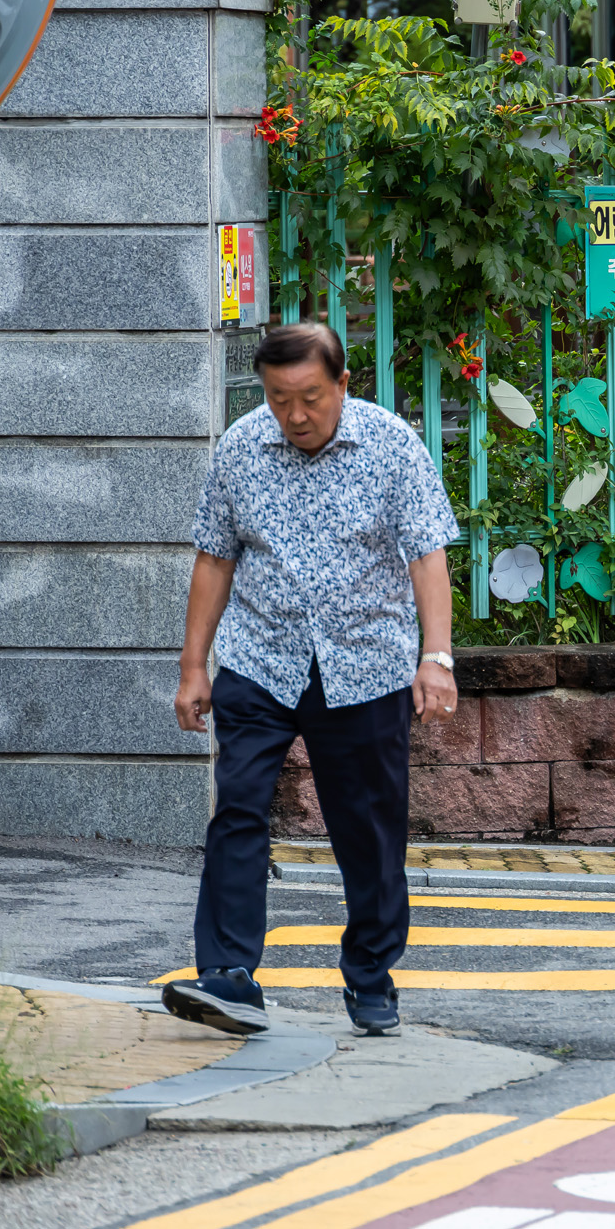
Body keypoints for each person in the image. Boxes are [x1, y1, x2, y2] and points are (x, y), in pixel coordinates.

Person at [165, 322, 461, 1039]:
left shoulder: (391, 445)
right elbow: (215, 558)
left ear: (342, 384)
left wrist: (437, 657)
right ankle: (228, 974)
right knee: (238, 808)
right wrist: (194, 666)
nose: (295, 415)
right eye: (278, 399)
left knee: (369, 829)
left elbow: (427, 555)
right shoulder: (241, 447)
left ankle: (370, 972)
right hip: (261, 659)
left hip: (365, 666)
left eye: (310, 397)